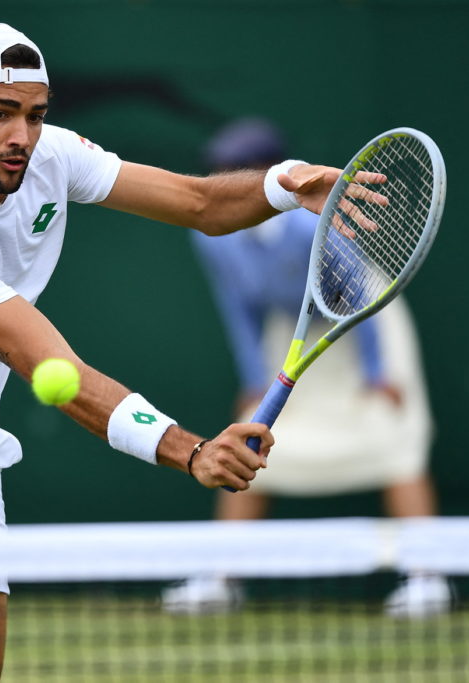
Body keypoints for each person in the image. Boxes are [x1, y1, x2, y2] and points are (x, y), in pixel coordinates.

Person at [0, 25, 379, 682]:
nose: (22, 136)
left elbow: (197, 202)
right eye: (0, 113)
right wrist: (191, 450)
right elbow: (56, 369)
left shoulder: (50, 157)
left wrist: (285, 185)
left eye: (34, 115)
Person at [161, 118, 451, 619]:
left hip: (363, 319)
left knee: (396, 441)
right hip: (293, 326)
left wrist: (377, 374)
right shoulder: (212, 235)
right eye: (220, 170)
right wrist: (254, 379)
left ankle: (429, 579)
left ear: (269, 172)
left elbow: (357, 290)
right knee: (250, 441)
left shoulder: (306, 225)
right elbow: (238, 307)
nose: (225, 179)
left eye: (238, 168)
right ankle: (221, 579)